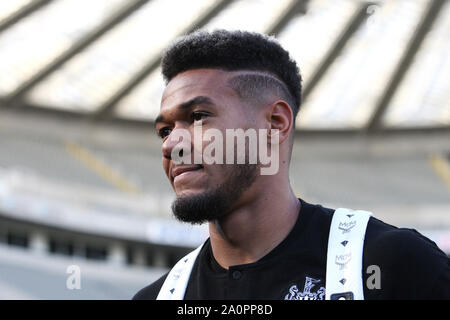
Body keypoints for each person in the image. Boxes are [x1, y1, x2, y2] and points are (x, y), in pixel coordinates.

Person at [133, 30, 449, 300]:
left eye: (198, 117)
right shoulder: (156, 297)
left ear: (275, 123)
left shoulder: (390, 264)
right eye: (164, 130)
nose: (171, 145)